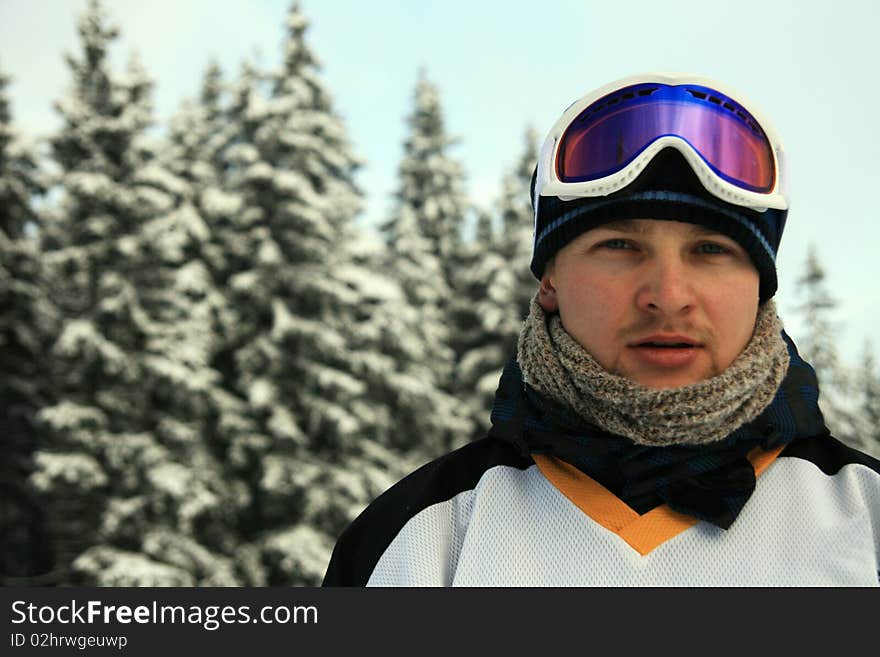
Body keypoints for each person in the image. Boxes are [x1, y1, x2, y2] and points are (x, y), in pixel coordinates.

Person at [322, 72, 880, 586]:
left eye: (712, 250)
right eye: (619, 246)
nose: (667, 296)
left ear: (759, 287)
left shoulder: (867, 518)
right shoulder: (420, 537)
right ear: (550, 282)